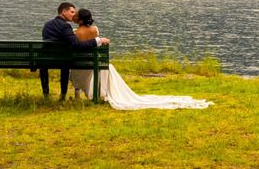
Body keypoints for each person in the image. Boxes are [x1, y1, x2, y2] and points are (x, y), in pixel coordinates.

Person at [69, 8, 212, 110]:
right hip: (95, 64)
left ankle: (79, 94)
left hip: (79, 66)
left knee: (93, 69)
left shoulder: (75, 33)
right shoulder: (95, 30)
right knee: (108, 67)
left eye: (76, 16)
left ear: (80, 20)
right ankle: (104, 93)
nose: (74, 17)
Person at [40, 2, 110, 99]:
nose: (74, 15)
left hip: (45, 59)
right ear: (64, 12)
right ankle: (63, 95)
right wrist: (98, 40)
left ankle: (46, 95)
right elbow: (77, 44)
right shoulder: (65, 26)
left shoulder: (47, 25)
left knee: (47, 65)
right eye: (72, 12)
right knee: (64, 63)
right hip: (61, 59)